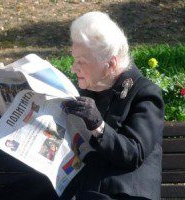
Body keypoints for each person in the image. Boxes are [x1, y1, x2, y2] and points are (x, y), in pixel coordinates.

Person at [60, 11, 165, 200]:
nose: (73, 68)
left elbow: (134, 153)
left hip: (124, 193)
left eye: (81, 62)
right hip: (83, 187)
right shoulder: (86, 89)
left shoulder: (145, 94)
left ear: (110, 64)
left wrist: (98, 127)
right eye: (74, 60)